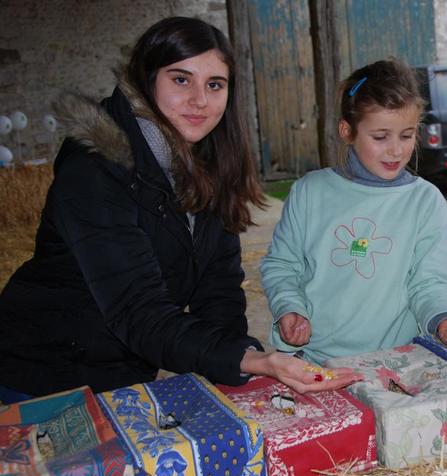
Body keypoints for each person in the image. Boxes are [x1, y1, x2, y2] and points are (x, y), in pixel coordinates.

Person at [0, 17, 360, 402]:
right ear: (147, 78)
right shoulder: (96, 168)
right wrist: (255, 362)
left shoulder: (207, 160)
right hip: (35, 377)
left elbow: (217, 288)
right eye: (181, 79)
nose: (200, 101)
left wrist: (242, 364)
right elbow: (138, 310)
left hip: (119, 378)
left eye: (215, 85)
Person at [260, 59, 447, 365]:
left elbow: (429, 283)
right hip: (312, 358)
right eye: (380, 137)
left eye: (406, 135)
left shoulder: (426, 202)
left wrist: (445, 317)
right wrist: (289, 307)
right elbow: (282, 266)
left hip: (394, 361)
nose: (396, 150)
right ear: (347, 131)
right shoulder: (310, 192)